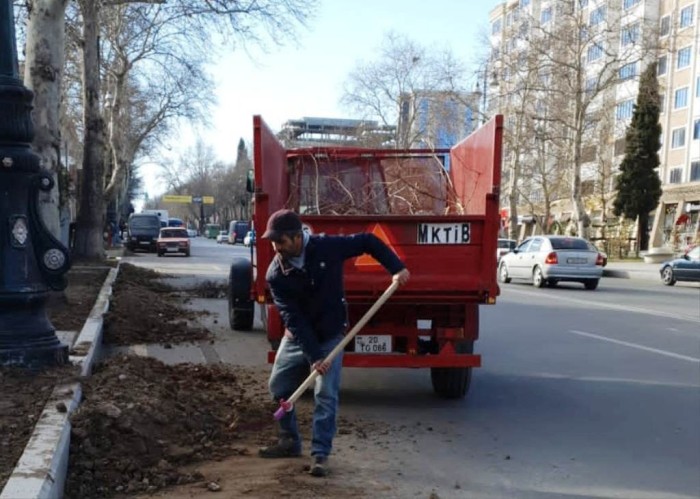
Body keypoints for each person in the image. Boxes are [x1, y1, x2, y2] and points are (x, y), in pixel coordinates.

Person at [258, 209, 409, 477]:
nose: (276, 248)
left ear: (295, 237)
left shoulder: (327, 247)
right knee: (279, 387)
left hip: (330, 335)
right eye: (273, 242)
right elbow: (293, 319)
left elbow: (367, 241)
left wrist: (396, 268)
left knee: (325, 394)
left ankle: (320, 454)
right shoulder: (276, 275)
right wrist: (314, 356)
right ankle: (289, 441)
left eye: (280, 241)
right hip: (298, 337)